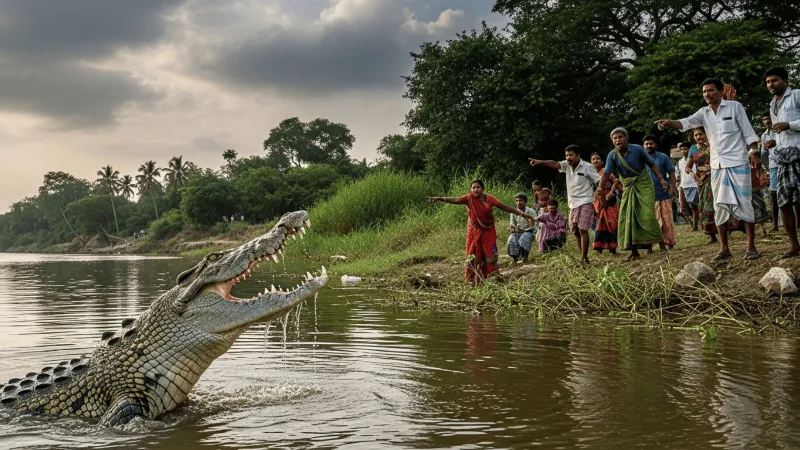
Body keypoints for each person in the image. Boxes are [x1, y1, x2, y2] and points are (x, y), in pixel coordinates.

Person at [657, 78, 761, 261]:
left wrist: (754, 151)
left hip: (738, 163)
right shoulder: (703, 113)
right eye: (704, 91)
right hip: (717, 166)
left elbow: (748, 132)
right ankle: (724, 249)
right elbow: (685, 123)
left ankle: (751, 247)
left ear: (721, 92)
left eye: (711, 90)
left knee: (745, 203)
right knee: (718, 205)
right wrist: (668, 122)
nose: (707, 94)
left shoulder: (735, 107)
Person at [428, 180, 535, 284]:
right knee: (473, 252)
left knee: (489, 251)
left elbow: (505, 207)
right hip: (474, 230)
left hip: (489, 230)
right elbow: (456, 200)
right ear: (471, 189)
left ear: (483, 189)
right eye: (473, 188)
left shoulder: (490, 199)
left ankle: (492, 274)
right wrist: (440, 198)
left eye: (478, 187)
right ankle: (472, 277)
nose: (476, 190)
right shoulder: (468, 198)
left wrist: (522, 214)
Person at [596, 127, 669, 261]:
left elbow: (652, 164)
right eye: (615, 138)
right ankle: (634, 251)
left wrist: (662, 179)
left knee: (647, 214)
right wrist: (600, 188)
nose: (618, 140)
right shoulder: (612, 155)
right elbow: (606, 173)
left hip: (644, 183)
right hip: (628, 186)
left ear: (626, 139)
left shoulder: (637, 149)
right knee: (627, 216)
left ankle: (662, 246)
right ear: (612, 141)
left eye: (620, 137)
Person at [530, 145, 601, 266]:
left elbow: (598, 180)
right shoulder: (567, 165)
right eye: (567, 155)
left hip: (586, 201)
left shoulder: (588, 167)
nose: (568, 158)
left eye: (571, 155)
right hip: (573, 203)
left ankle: (583, 258)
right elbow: (555, 164)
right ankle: (585, 257)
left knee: (583, 229)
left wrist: (600, 192)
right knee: (575, 231)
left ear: (578, 156)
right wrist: (540, 162)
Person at [765, 66, 800, 259]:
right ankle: (795, 246)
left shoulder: (796, 95)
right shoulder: (772, 104)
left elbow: (789, 126)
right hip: (782, 158)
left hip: (799, 153)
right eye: (768, 82)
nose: (771, 85)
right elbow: (780, 133)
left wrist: (790, 125)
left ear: (785, 80)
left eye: (775, 80)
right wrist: (773, 142)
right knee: (784, 202)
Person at [642, 135, 678, 254]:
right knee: (650, 221)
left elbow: (671, 172)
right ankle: (649, 247)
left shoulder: (663, 157)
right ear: (643, 146)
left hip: (663, 193)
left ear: (655, 145)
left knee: (665, 220)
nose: (649, 146)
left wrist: (673, 186)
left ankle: (667, 243)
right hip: (646, 195)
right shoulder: (640, 159)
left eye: (651, 143)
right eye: (646, 144)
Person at [686, 127, 720, 244]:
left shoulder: (714, 145)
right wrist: (693, 175)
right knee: (705, 205)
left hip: (716, 177)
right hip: (701, 181)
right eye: (695, 135)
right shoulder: (693, 149)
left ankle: (724, 231)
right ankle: (712, 235)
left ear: (706, 134)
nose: (698, 137)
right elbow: (687, 167)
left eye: (700, 134)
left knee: (717, 204)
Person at [590, 151, 622, 254]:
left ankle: (613, 248)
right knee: (599, 223)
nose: (595, 160)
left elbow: (616, 181)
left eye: (597, 158)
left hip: (609, 199)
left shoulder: (605, 171)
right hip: (596, 201)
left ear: (602, 161)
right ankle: (599, 247)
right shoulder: (590, 173)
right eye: (593, 159)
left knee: (611, 223)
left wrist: (612, 192)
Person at [761, 111, 780, 231]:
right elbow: (764, 154)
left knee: (793, 194)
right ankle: (775, 225)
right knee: (773, 195)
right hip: (773, 166)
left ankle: (798, 223)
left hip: (785, 163)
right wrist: (766, 167)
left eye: (769, 119)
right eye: (764, 119)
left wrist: (776, 143)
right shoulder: (764, 136)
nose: (767, 121)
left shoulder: (781, 130)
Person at [507, 193, 537, 264]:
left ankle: (525, 258)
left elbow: (533, 226)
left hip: (530, 231)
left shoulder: (531, 211)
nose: (518, 202)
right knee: (511, 240)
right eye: (517, 201)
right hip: (518, 231)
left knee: (524, 238)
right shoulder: (513, 212)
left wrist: (524, 230)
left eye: (521, 200)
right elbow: (512, 224)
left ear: (525, 201)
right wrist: (513, 229)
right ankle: (515, 259)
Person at [677, 141, 700, 231]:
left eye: (685, 149)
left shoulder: (695, 159)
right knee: (683, 209)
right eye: (682, 149)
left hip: (694, 184)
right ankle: (693, 225)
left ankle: (696, 226)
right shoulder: (680, 162)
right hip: (683, 185)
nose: (683, 151)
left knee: (696, 206)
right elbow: (680, 173)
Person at [748, 149, 771, 227]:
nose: (755, 160)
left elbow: (764, 177)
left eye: (756, 158)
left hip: (758, 189)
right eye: (754, 158)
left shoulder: (760, 166)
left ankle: (763, 226)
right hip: (753, 189)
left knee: (761, 205)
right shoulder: (750, 168)